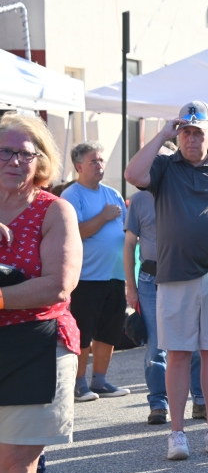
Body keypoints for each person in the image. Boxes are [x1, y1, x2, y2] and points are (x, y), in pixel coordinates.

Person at [124, 100, 208, 460]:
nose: (191, 139)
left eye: (197, 133)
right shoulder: (166, 166)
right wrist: (161, 134)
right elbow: (133, 175)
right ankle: (177, 434)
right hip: (174, 275)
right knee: (179, 354)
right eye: (185, 132)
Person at [0, 114, 81, 473]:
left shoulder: (54, 210)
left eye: (25, 153)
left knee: (14, 466)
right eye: (5, 151)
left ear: (40, 160)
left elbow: (59, 286)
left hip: (38, 345)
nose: (15, 160)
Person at [125, 142, 208, 425]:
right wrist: (130, 286)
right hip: (149, 279)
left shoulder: (182, 192)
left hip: (183, 276)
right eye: (152, 161)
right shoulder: (138, 201)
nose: (156, 167)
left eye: (162, 161)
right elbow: (129, 245)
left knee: (193, 344)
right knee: (155, 348)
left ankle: (200, 400)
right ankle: (158, 403)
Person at [60, 142, 129, 402]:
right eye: (94, 162)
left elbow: (126, 230)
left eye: (101, 161)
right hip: (87, 276)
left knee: (109, 331)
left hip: (115, 274)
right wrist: (103, 216)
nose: (100, 165)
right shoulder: (71, 196)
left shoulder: (113, 193)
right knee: (83, 332)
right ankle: (78, 384)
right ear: (79, 166)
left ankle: (99, 380)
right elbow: (74, 232)